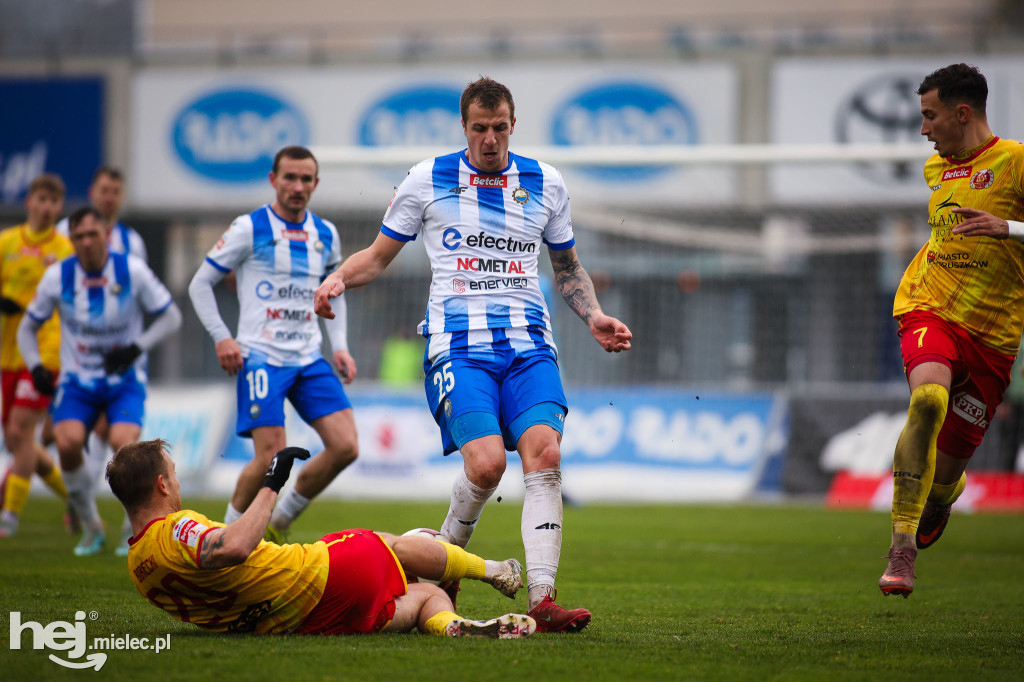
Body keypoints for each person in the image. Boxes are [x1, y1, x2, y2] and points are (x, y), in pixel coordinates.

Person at [314, 77, 632, 632]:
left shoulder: (545, 182)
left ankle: (543, 599)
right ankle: (442, 570)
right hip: (458, 348)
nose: (490, 138)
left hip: (530, 345)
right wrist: (339, 278)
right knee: (486, 465)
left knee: (545, 456)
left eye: (500, 127)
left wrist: (594, 315)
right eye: (480, 128)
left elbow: (566, 267)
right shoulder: (427, 178)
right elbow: (378, 255)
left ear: (513, 125)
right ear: (464, 127)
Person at [106, 438, 535, 639]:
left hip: (290, 621)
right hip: (317, 571)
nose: (178, 483)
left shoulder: (137, 565)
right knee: (396, 544)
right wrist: (272, 483)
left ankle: (451, 627)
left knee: (422, 598)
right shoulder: (176, 528)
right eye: (175, 474)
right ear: (162, 486)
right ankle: (497, 571)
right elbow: (233, 547)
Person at [879, 63, 1024, 597]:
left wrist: (1008, 228)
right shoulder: (936, 169)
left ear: (962, 113)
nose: (923, 130)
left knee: (944, 475)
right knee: (927, 401)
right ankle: (901, 552)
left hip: (994, 335)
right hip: (928, 307)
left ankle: (943, 495)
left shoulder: (1015, 162)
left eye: (930, 116)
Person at [188, 145, 359, 541]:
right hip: (261, 355)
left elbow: (336, 291)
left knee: (346, 446)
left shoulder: (325, 233)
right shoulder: (249, 227)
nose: (297, 186)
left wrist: (341, 346)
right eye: (289, 178)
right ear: (273, 180)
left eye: (305, 179)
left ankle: (279, 520)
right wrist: (222, 337)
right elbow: (200, 283)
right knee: (268, 456)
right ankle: (222, 538)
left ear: (315, 183)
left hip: (307, 356)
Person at [18, 207, 182, 556]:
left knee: (125, 448)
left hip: (124, 380)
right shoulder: (57, 276)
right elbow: (26, 328)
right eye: (79, 237)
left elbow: (171, 316)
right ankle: (91, 527)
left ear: (106, 236)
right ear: (71, 241)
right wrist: (35, 367)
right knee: (67, 442)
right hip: (78, 382)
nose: (87, 242)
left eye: (93, 234)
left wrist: (136, 347)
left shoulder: (131, 270)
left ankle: (133, 528)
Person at [0, 174, 74, 537]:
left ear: (59, 207)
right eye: (41, 199)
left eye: (53, 201)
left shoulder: (64, 249)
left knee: (19, 429)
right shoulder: (7, 242)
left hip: (46, 354)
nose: (46, 207)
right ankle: (74, 497)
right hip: (8, 354)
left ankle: (8, 518)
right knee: (18, 441)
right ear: (29, 201)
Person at [57, 166, 147, 262]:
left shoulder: (133, 241)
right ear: (91, 192)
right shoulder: (64, 230)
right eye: (104, 191)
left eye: (116, 192)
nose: (109, 198)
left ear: (123, 196)